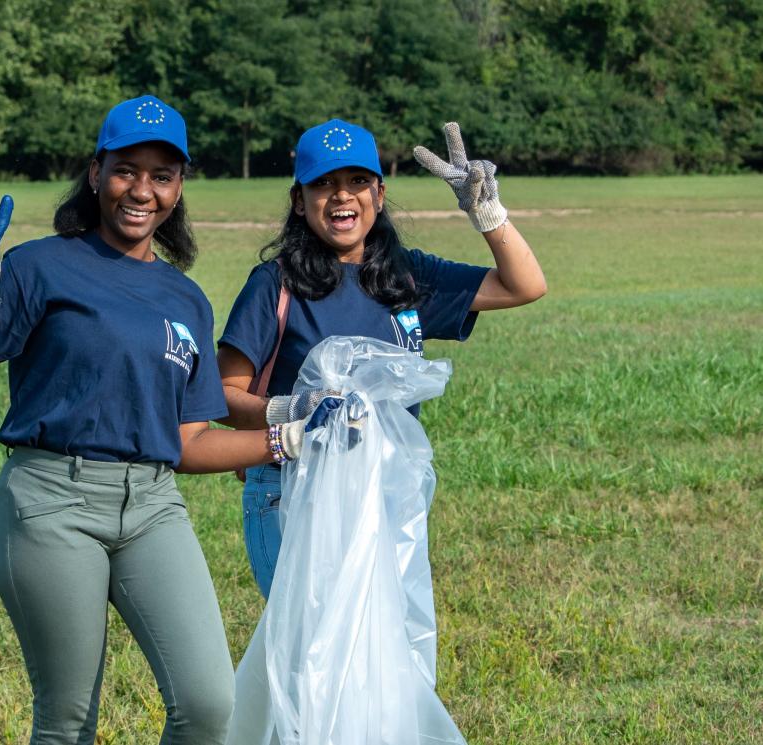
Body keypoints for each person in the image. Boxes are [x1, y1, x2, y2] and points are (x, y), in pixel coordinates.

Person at [0, 95, 322, 745]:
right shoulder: (38, 266)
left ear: (179, 186)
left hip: (153, 507)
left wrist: (287, 440)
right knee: (69, 718)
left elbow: (187, 441)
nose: (143, 190)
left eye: (162, 175)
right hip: (52, 502)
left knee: (208, 704)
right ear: (96, 172)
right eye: (127, 169)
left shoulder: (185, 298)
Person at [217, 119, 547, 599]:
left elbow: (525, 285)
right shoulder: (275, 283)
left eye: (357, 182)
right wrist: (296, 410)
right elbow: (223, 397)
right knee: (314, 652)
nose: (342, 196)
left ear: (379, 192)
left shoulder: (405, 277)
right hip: (291, 487)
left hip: (386, 490)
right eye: (323, 184)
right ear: (298, 200)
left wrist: (487, 213)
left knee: (373, 653)